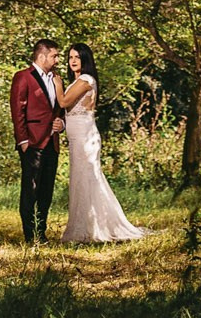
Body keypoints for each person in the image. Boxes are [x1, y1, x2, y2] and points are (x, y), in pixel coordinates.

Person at [57, 42, 150, 243]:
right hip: (76, 136)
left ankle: (96, 228)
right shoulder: (76, 81)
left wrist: (56, 83)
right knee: (80, 180)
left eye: (77, 57)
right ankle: (83, 227)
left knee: (88, 179)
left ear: (85, 60)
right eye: (70, 57)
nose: (73, 61)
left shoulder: (86, 79)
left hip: (85, 137)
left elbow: (63, 102)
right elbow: (71, 112)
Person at [10, 38, 66, 246]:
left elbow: (60, 108)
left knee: (46, 191)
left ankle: (41, 234)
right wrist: (23, 141)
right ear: (41, 56)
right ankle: (30, 236)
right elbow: (18, 111)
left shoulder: (56, 79)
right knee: (30, 190)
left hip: (52, 143)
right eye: (54, 56)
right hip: (32, 143)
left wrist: (62, 124)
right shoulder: (23, 77)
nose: (57, 60)